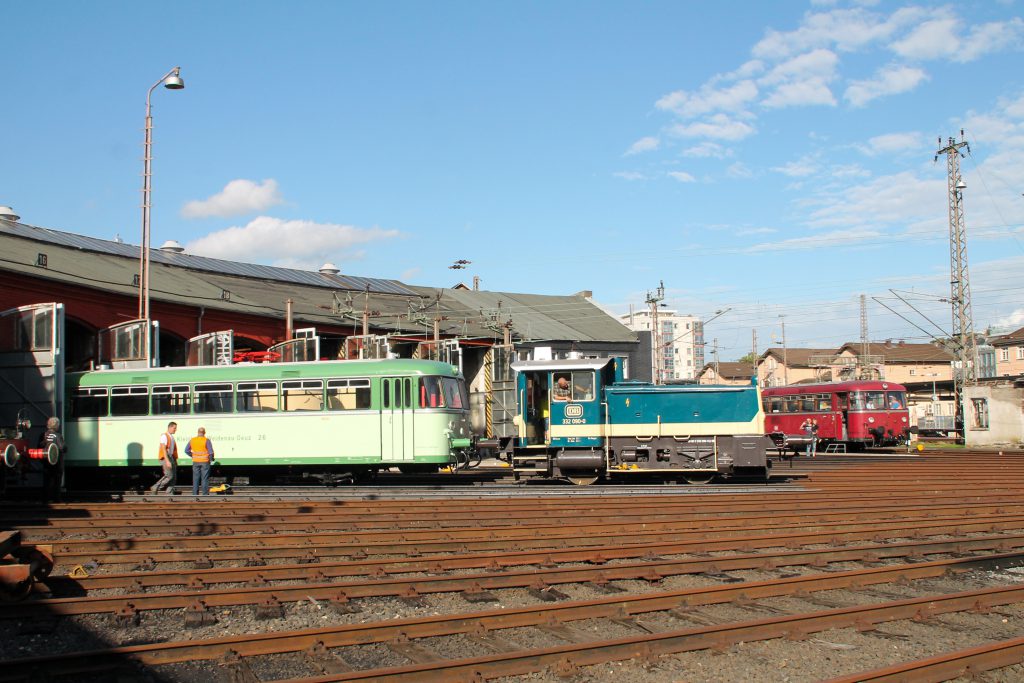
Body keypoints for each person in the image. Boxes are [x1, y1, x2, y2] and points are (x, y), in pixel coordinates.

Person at [39, 417, 66, 501]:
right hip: (57, 463)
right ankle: (56, 498)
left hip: (46, 462)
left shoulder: (43, 435)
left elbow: (39, 447)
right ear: (57, 425)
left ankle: (45, 499)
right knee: (57, 481)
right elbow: (62, 448)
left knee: (46, 481)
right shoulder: (58, 436)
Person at [185, 427, 215, 496]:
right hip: (205, 462)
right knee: (204, 478)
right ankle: (205, 494)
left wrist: (192, 455)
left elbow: (186, 450)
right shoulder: (206, 440)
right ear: (204, 433)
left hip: (195, 461)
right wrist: (211, 459)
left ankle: (195, 494)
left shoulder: (192, 440)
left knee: (195, 478)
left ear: (198, 432)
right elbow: (210, 452)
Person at [151, 421, 178, 494]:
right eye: (174, 428)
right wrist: (167, 461)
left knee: (174, 476)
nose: (175, 430)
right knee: (169, 476)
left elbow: (172, 450)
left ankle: (169, 492)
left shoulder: (171, 437)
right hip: (166, 458)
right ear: (170, 427)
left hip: (171, 457)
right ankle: (155, 487)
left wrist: (174, 460)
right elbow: (163, 449)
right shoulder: (164, 436)